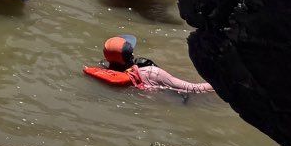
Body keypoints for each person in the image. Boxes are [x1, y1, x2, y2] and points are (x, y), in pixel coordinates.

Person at [85, 35, 214, 96]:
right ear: (131, 56)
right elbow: (193, 89)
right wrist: (220, 84)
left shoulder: (107, 71)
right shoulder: (151, 72)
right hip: (174, 96)